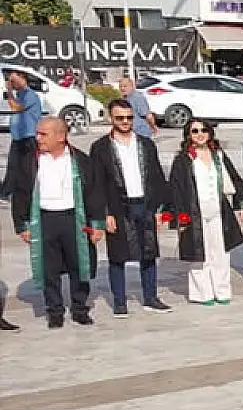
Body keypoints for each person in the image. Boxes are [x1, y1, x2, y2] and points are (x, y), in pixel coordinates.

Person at [10, 117, 105, 329]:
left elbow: (94, 193)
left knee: (79, 265)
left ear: (61, 136)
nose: (38, 138)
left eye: (43, 134)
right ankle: (54, 311)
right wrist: (22, 225)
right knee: (49, 269)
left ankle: (80, 309)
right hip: (44, 220)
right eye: (38, 133)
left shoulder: (80, 160)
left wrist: (97, 224)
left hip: (74, 219)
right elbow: (21, 194)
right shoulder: (30, 161)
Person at [90, 99, 173, 318]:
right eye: (120, 118)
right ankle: (119, 301)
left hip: (144, 203)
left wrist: (159, 208)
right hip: (117, 206)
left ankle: (151, 297)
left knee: (149, 251)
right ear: (111, 118)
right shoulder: (100, 147)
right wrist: (104, 213)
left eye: (129, 117)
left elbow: (156, 176)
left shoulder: (145, 144)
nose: (125, 122)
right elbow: (96, 183)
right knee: (118, 255)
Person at [169, 118, 243, 305]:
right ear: (188, 135)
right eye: (195, 131)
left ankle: (222, 291)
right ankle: (202, 293)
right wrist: (179, 220)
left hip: (219, 212)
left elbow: (236, 180)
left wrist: (240, 206)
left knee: (220, 253)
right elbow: (175, 190)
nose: (200, 134)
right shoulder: (183, 160)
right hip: (195, 214)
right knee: (199, 255)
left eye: (203, 130)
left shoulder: (218, 156)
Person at [1, 69, 44, 201]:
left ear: (23, 79)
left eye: (14, 80)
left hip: (29, 136)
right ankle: (8, 192)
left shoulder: (29, 95)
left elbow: (16, 107)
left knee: (30, 167)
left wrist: (9, 91)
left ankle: (32, 192)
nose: (11, 83)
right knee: (14, 165)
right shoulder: (20, 95)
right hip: (19, 136)